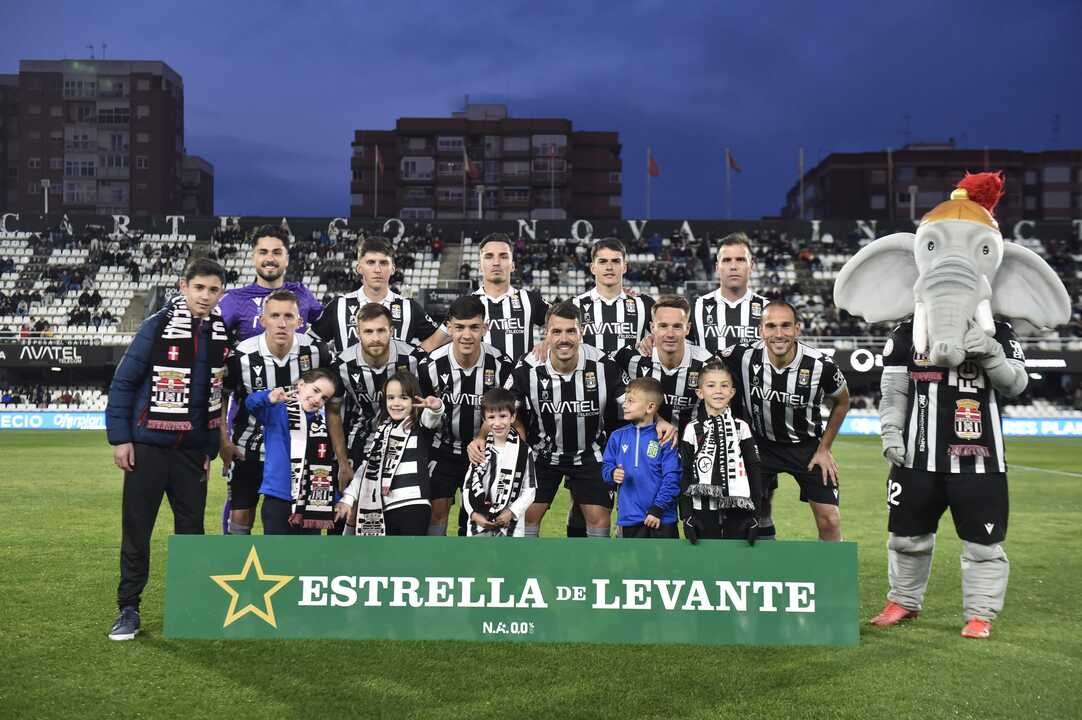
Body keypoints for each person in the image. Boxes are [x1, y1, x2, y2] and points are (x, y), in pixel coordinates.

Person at [869, 317, 1027, 639]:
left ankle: (980, 614)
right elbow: (894, 390)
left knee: (983, 546)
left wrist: (992, 353)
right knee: (905, 538)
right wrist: (890, 431)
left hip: (980, 461)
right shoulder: (907, 331)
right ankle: (903, 600)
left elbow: (1015, 385)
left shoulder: (998, 331)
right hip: (915, 457)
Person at [105, 258, 229, 641]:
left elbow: (215, 396)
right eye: (199, 288)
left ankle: (189, 606)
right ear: (183, 287)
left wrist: (208, 449)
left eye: (213, 290)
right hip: (148, 447)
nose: (205, 296)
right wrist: (121, 438)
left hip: (192, 452)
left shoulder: (221, 333)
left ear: (221, 293)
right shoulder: (156, 325)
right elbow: (124, 382)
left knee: (191, 532)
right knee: (137, 530)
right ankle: (128, 609)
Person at [480, 302, 633, 538]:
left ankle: (590, 562)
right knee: (525, 517)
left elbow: (634, 403)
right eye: (556, 331)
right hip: (542, 454)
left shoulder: (604, 366)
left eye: (571, 331)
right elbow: (503, 409)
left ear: (582, 332)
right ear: (546, 334)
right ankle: (526, 562)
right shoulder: (528, 367)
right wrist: (481, 438)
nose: (564, 339)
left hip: (590, 453)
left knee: (599, 521)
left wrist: (660, 421)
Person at [722, 302, 850, 541]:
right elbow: (704, 366)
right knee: (737, 516)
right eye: (771, 326)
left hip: (807, 448)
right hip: (760, 445)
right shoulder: (742, 355)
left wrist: (824, 449)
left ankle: (830, 566)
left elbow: (842, 401)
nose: (778, 334)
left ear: (797, 329)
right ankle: (749, 562)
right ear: (761, 330)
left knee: (830, 520)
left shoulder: (821, 365)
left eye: (786, 326)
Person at [219, 290, 339, 535]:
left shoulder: (317, 352)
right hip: (248, 446)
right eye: (275, 316)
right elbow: (222, 396)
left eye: (288, 316)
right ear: (263, 320)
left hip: (295, 450)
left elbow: (331, 399)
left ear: (300, 321)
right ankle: (238, 558)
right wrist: (224, 441)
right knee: (241, 512)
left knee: (297, 514)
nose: (282, 323)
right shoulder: (241, 355)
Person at [418, 295, 515, 537]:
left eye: (474, 327)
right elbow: (424, 422)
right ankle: (436, 559)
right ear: (449, 328)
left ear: (485, 328)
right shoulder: (430, 365)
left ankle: (472, 560)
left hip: (485, 452)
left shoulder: (502, 365)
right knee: (436, 512)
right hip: (442, 450)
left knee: (479, 518)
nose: (467, 335)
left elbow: (504, 415)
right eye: (459, 327)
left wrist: (481, 438)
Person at [336, 371, 444, 536]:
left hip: (414, 504)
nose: (396, 403)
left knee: (410, 552)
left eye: (403, 397)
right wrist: (348, 499)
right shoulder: (382, 431)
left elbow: (432, 418)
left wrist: (436, 406)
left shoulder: (418, 425)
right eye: (391, 398)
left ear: (415, 401)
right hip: (382, 507)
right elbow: (367, 469)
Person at [332, 303, 427, 477]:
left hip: (407, 437)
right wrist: (342, 462)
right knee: (355, 491)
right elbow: (333, 412)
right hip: (363, 436)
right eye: (368, 331)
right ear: (358, 333)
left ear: (391, 331)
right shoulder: (342, 365)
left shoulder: (414, 359)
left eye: (381, 331)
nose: (375, 338)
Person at [312, 236, 447, 354]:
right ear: (359, 268)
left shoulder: (409, 307)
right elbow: (311, 342)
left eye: (383, 263)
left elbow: (439, 339)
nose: (377, 270)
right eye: (370, 262)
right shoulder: (338, 306)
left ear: (393, 269)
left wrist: (414, 356)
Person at [244, 368, 339, 534]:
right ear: (301, 385)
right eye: (315, 390)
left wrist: (335, 498)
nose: (317, 399)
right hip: (278, 496)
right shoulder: (277, 409)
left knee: (306, 551)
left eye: (324, 397)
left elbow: (324, 464)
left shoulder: (323, 424)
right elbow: (250, 403)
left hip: (312, 501)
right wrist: (268, 397)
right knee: (277, 550)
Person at [678, 360, 762, 544]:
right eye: (711, 385)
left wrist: (755, 515)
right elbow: (684, 472)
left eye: (724, 385)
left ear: (732, 392)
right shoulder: (692, 429)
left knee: (736, 560)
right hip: (701, 508)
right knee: (704, 560)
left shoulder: (741, 427)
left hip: (738, 509)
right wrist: (687, 515)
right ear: (700, 392)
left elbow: (754, 471)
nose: (718, 391)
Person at [611, 295, 715, 431]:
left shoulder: (706, 364)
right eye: (663, 326)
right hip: (644, 440)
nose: (670, 334)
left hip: (690, 440)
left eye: (677, 326)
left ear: (688, 329)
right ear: (652, 327)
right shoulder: (630, 358)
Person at [602, 377, 681, 539]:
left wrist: (658, 509)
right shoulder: (617, 436)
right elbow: (605, 467)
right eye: (625, 400)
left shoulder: (665, 437)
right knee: (632, 558)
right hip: (630, 519)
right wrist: (612, 473)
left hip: (662, 518)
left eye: (630, 401)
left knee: (665, 558)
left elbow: (673, 477)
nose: (624, 405)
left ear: (650, 407)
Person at [217, 225, 323, 342]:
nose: (270, 259)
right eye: (263, 252)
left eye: (277, 253)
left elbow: (327, 325)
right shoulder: (235, 299)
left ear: (287, 259)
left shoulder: (302, 293)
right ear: (253, 258)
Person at [462, 389, 538, 537]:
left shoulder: (523, 451)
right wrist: (474, 515)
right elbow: (468, 486)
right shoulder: (480, 449)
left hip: (511, 526)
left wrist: (511, 512)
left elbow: (530, 489)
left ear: (512, 417)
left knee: (508, 553)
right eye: (491, 417)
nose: (497, 423)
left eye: (503, 416)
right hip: (479, 523)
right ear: (484, 420)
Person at [470, 232, 550, 362]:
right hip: (481, 375)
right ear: (480, 266)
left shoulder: (529, 299)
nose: (496, 262)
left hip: (522, 375)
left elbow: (566, 320)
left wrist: (548, 341)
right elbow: (439, 342)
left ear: (512, 265)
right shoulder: (468, 303)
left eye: (503, 256)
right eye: (489, 256)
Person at [689, 232, 770, 355]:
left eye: (740, 260)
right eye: (726, 260)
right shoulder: (696, 308)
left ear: (751, 266)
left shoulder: (768, 309)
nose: (733, 266)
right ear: (717, 267)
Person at [574, 237, 654, 354]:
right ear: (593, 268)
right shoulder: (574, 305)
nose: (609, 267)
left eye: (616, 261)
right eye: (602, 261)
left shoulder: (644, 304)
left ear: (624, 267)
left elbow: (669, 332)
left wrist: (654, 338)